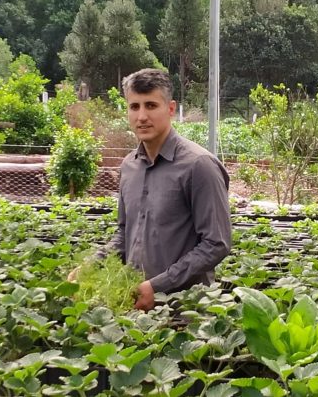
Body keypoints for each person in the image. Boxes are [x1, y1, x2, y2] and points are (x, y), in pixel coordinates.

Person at [69, 68, 232, 311]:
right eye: (134, 107)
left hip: (186, 311)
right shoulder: (129, 167)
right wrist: (91, 265)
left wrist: (158, 285)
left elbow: (216, 243)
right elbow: (124, 235)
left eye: (151, 105)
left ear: (171, 108)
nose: (142, 116)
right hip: (134, 303)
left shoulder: (199, 166)